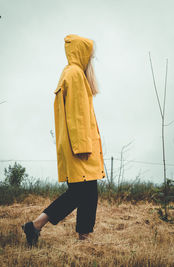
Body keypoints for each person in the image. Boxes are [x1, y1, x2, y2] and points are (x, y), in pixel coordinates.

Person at [22, 34, 105, 246]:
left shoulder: (69, 73)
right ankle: (74, 235)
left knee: (82, 193)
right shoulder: (76, 75)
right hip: (79, 147)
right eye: (90, 55)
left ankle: (38, 227)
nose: (91, 60)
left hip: (73, 146)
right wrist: (83, 146)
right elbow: (77, 116)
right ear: (82, 53)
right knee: (84, 193)